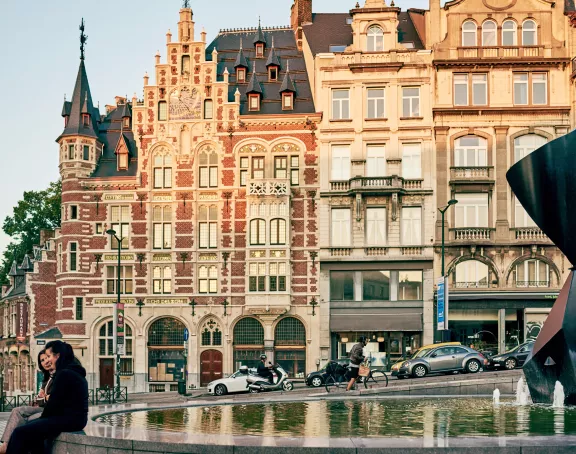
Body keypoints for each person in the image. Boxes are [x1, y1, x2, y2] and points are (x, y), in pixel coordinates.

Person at [7, 341, 89, 454]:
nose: (48, 360)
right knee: (33, 432)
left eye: (49, 356)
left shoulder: (64, 374)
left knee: (19, 432)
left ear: (58, 356)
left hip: (69, 419)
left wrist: (41, 420)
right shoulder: (74, 371)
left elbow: (53, 405)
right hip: (76, 419)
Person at [0, 350, 54, 454]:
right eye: (42, 360)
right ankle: (6, 444)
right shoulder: (46, 377)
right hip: (42, 407)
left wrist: (44, 398)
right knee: (17, 411)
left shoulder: (57, 376)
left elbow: (49, 399)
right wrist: (42, 398)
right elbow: (40, 398)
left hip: (49, 410)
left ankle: (9, 446)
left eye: (47, 358)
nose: (45, 361)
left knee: (25, 418)